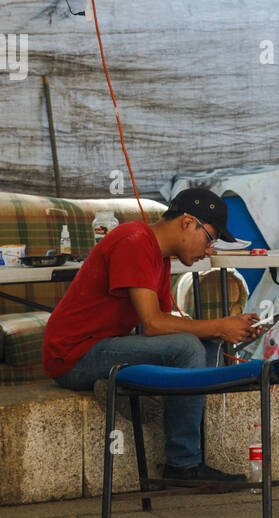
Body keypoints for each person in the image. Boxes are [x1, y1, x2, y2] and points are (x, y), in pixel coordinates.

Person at [42, 188, 262, 483]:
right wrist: (219, 325)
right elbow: (153, 325)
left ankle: (190, 448)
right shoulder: (133, 240)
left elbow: (161, 324)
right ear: (187, 223)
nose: (209, 250)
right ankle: (182, 465)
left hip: (106, 346)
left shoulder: (160, 257)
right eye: (209, 238)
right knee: (188, 347)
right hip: (72, 356)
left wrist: (221, 329)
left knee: (204, 345)